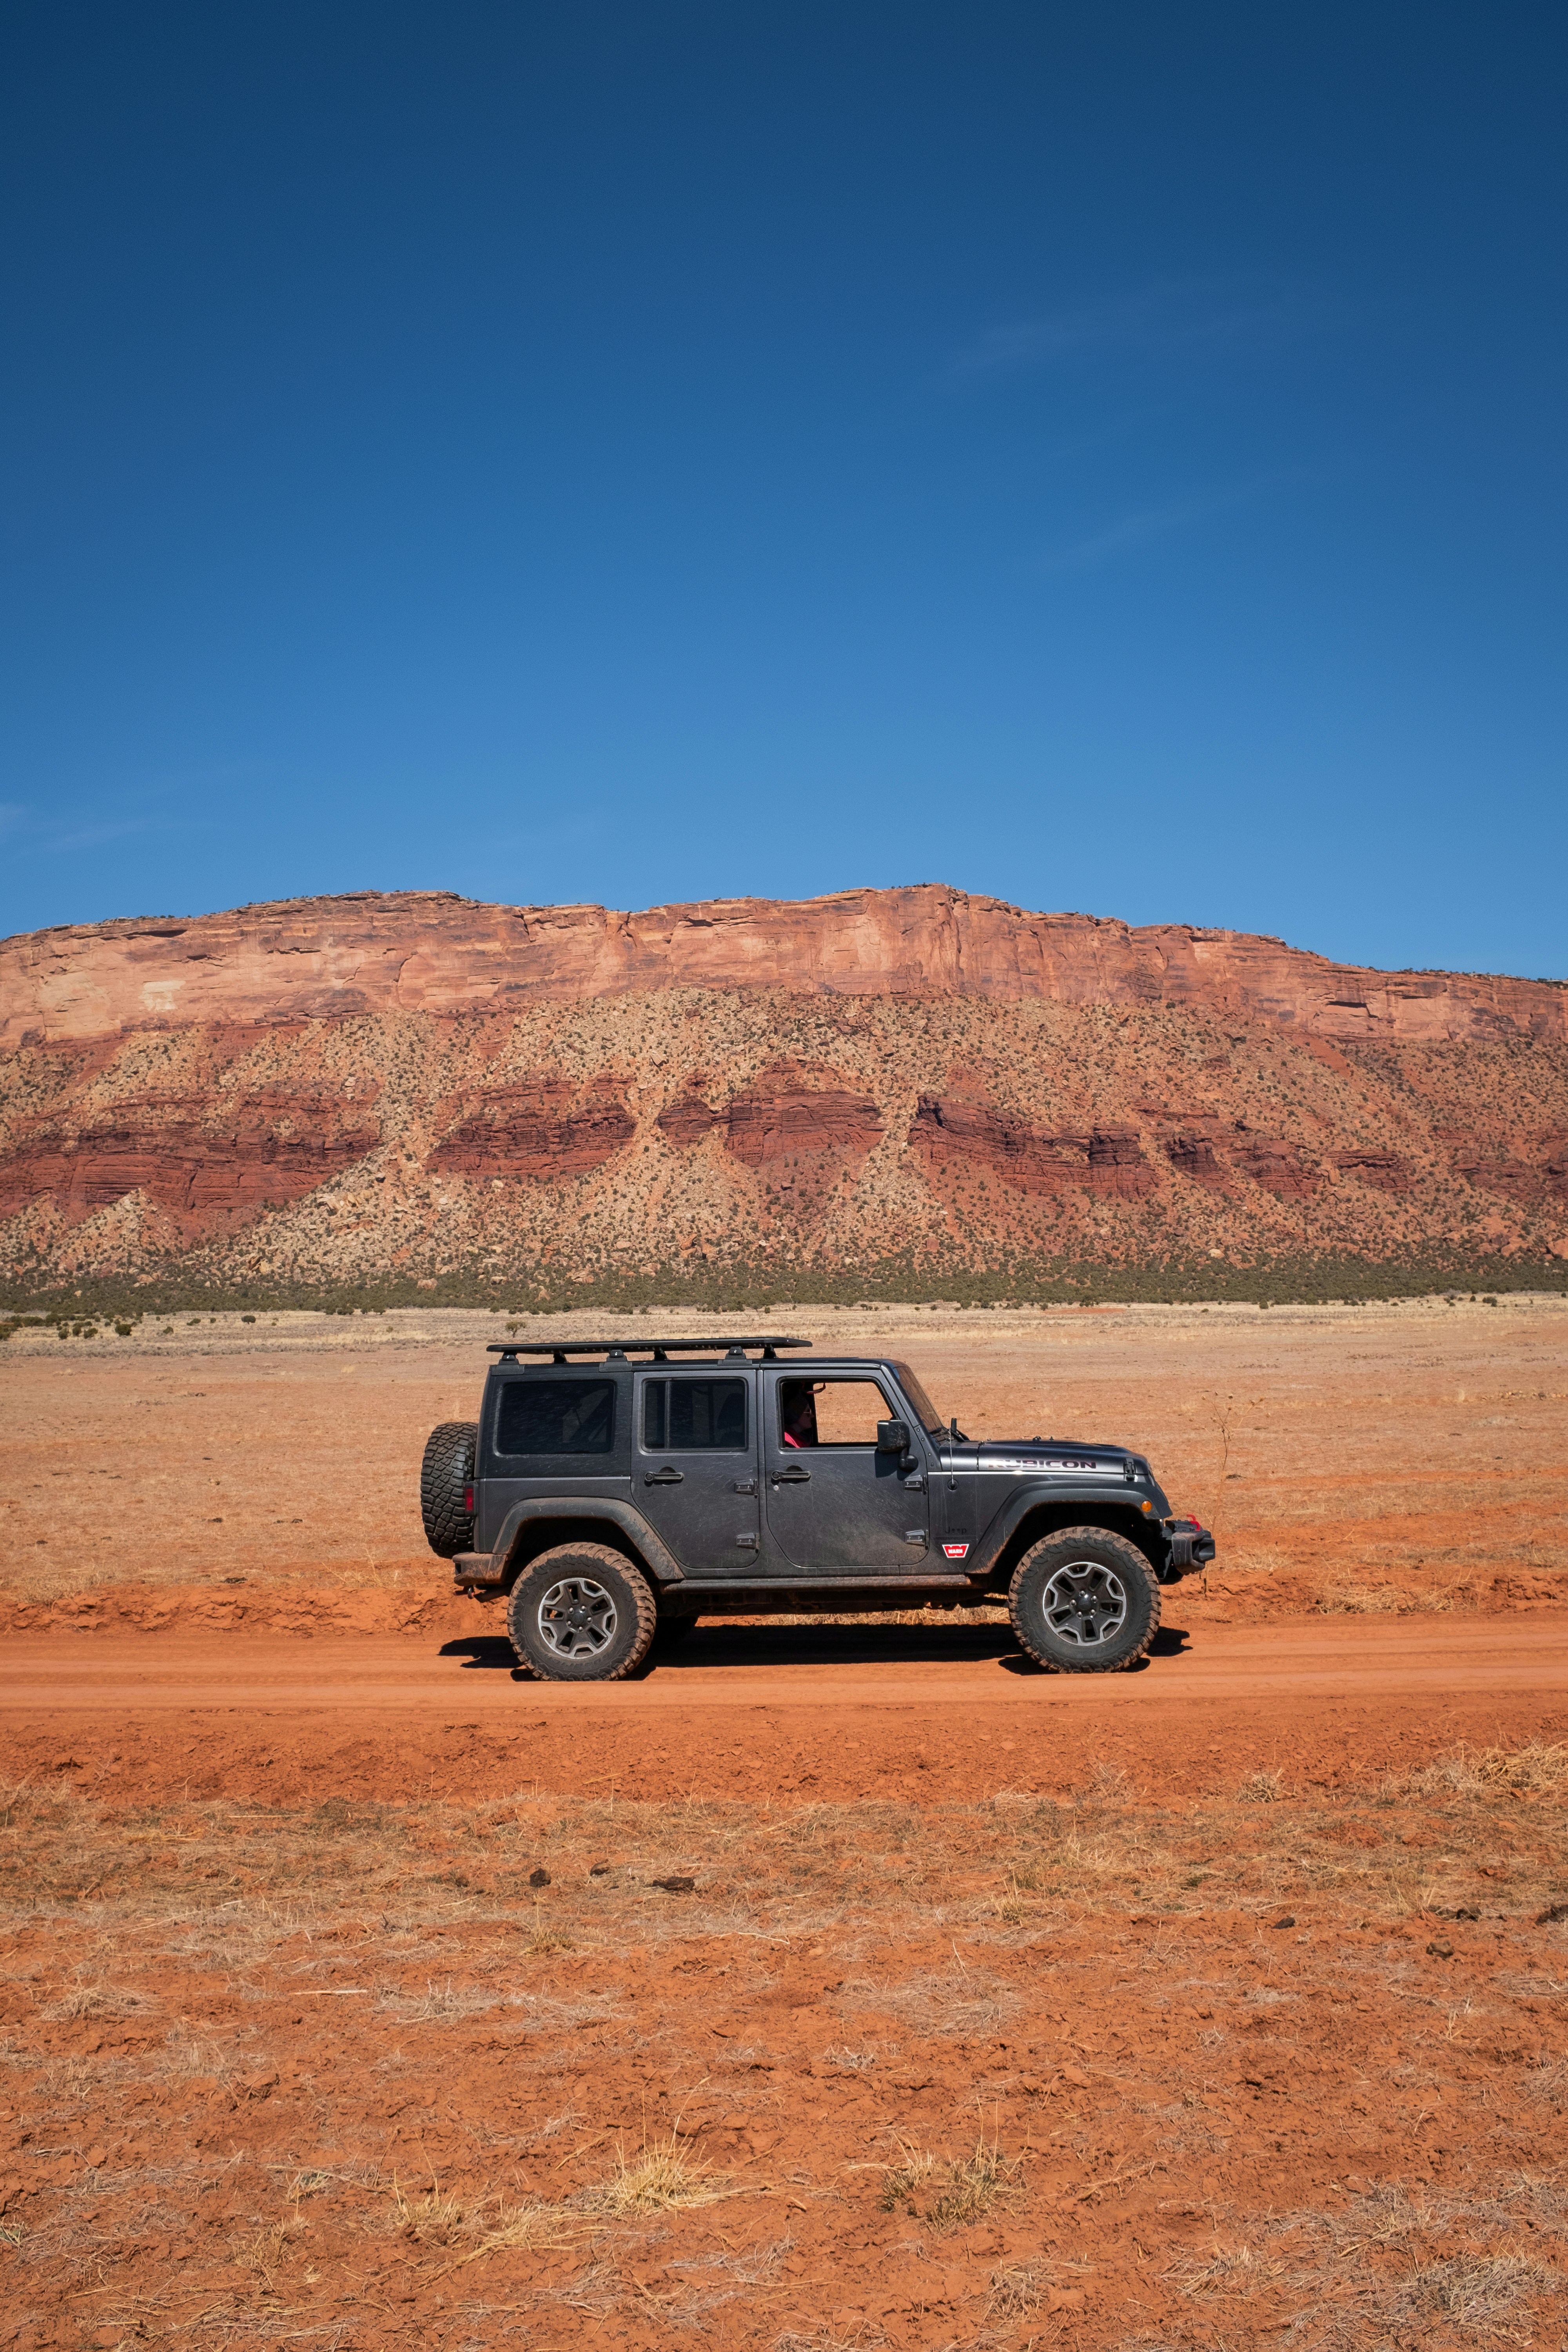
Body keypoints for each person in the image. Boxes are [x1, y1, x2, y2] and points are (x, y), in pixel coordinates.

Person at [780, 1384, 819, 1448]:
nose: (812, 1416)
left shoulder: (800, 1439)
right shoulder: (786, 1445)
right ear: (795, 1415)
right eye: (808, 1412)